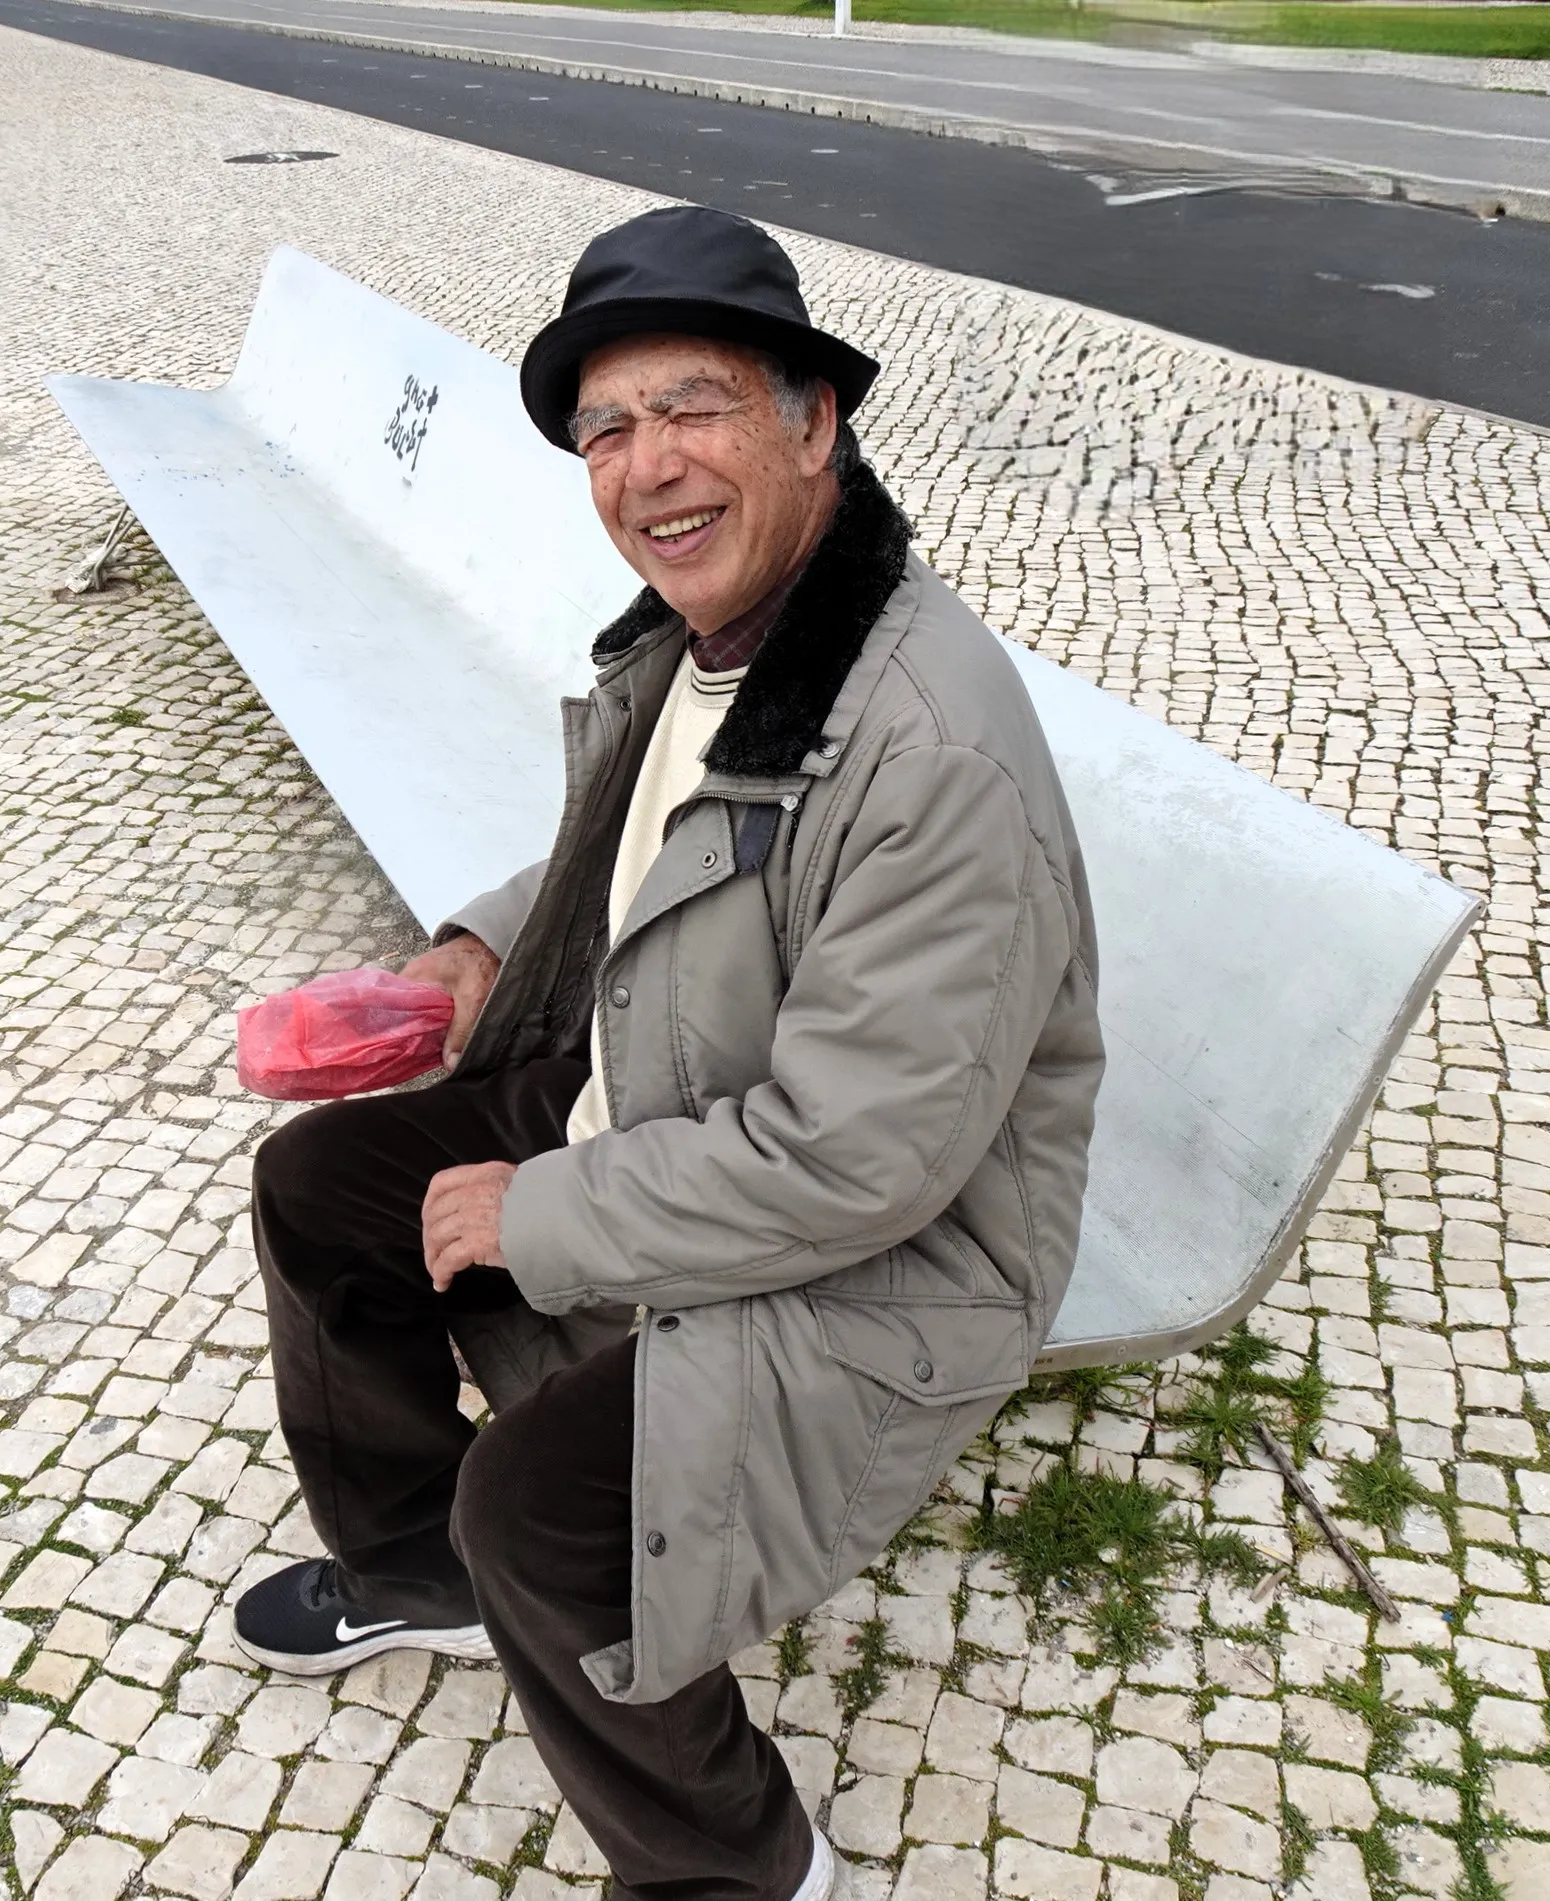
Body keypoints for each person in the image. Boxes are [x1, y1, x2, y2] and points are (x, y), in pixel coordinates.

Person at [235, 205, 1104, 1901]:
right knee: (324, 1190)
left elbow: (862, 1161)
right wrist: (480, 949)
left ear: (812, 422)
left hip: (897, 1258)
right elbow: (635, 856)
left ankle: (744, 1866)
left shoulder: (923, 751)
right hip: (678, 1090)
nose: (649, 468)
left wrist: (537, 1214)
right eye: (608, 429)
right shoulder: (709, 639)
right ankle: (420, 1574)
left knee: (541, 1512)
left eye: (694, 407)